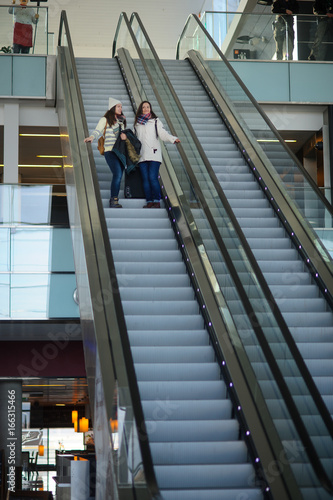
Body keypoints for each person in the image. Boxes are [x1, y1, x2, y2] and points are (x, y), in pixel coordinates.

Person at [133, 101, 180, 208]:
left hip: (154, 154)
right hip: (142, 155)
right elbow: (134, 139)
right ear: (140, 109)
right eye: (143, 107)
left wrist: (173, 139)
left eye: (147, 107)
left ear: (150, 109)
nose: (145, 109)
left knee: (152, 177)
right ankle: (149, 201)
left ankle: (156, 201)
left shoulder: (156, 121)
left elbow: (163, 134)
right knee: (145, 179)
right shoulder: (137, 124)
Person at [84, 98, 128, 208]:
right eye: (118, 106)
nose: (120, 108)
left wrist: (125, 137)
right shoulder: (105, 119)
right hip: (110, 151)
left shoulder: (121, 121)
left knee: (119, 175)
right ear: (112, 107)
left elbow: (122, 137)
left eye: (121, 107)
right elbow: (98, 130)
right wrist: (92, 137)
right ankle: (114, 200)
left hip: (120, 152)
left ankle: (114, 199)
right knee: (117, 174)